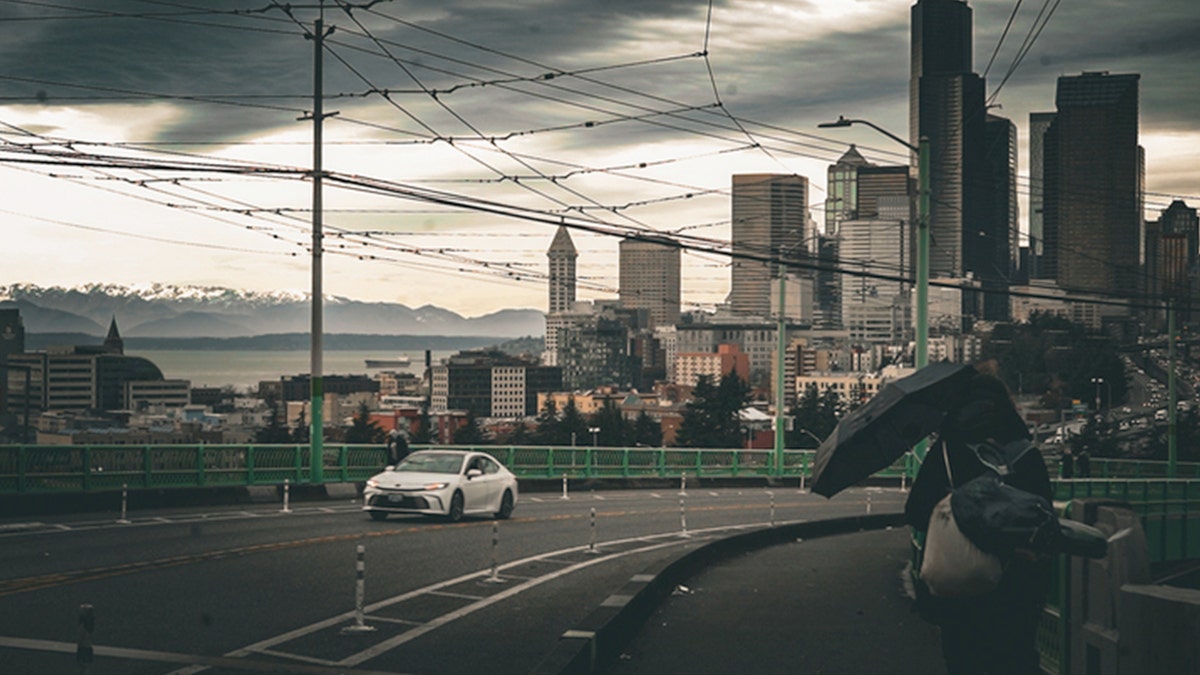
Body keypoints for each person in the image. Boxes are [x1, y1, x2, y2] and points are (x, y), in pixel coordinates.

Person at [905, 363, 1053, 675]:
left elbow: (916, 512)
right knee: (1016, 660)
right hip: (1016, 586)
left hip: (959, 585)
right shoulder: (1024, 453)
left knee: (963, 660)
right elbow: (1045, 520)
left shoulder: (946, 453)